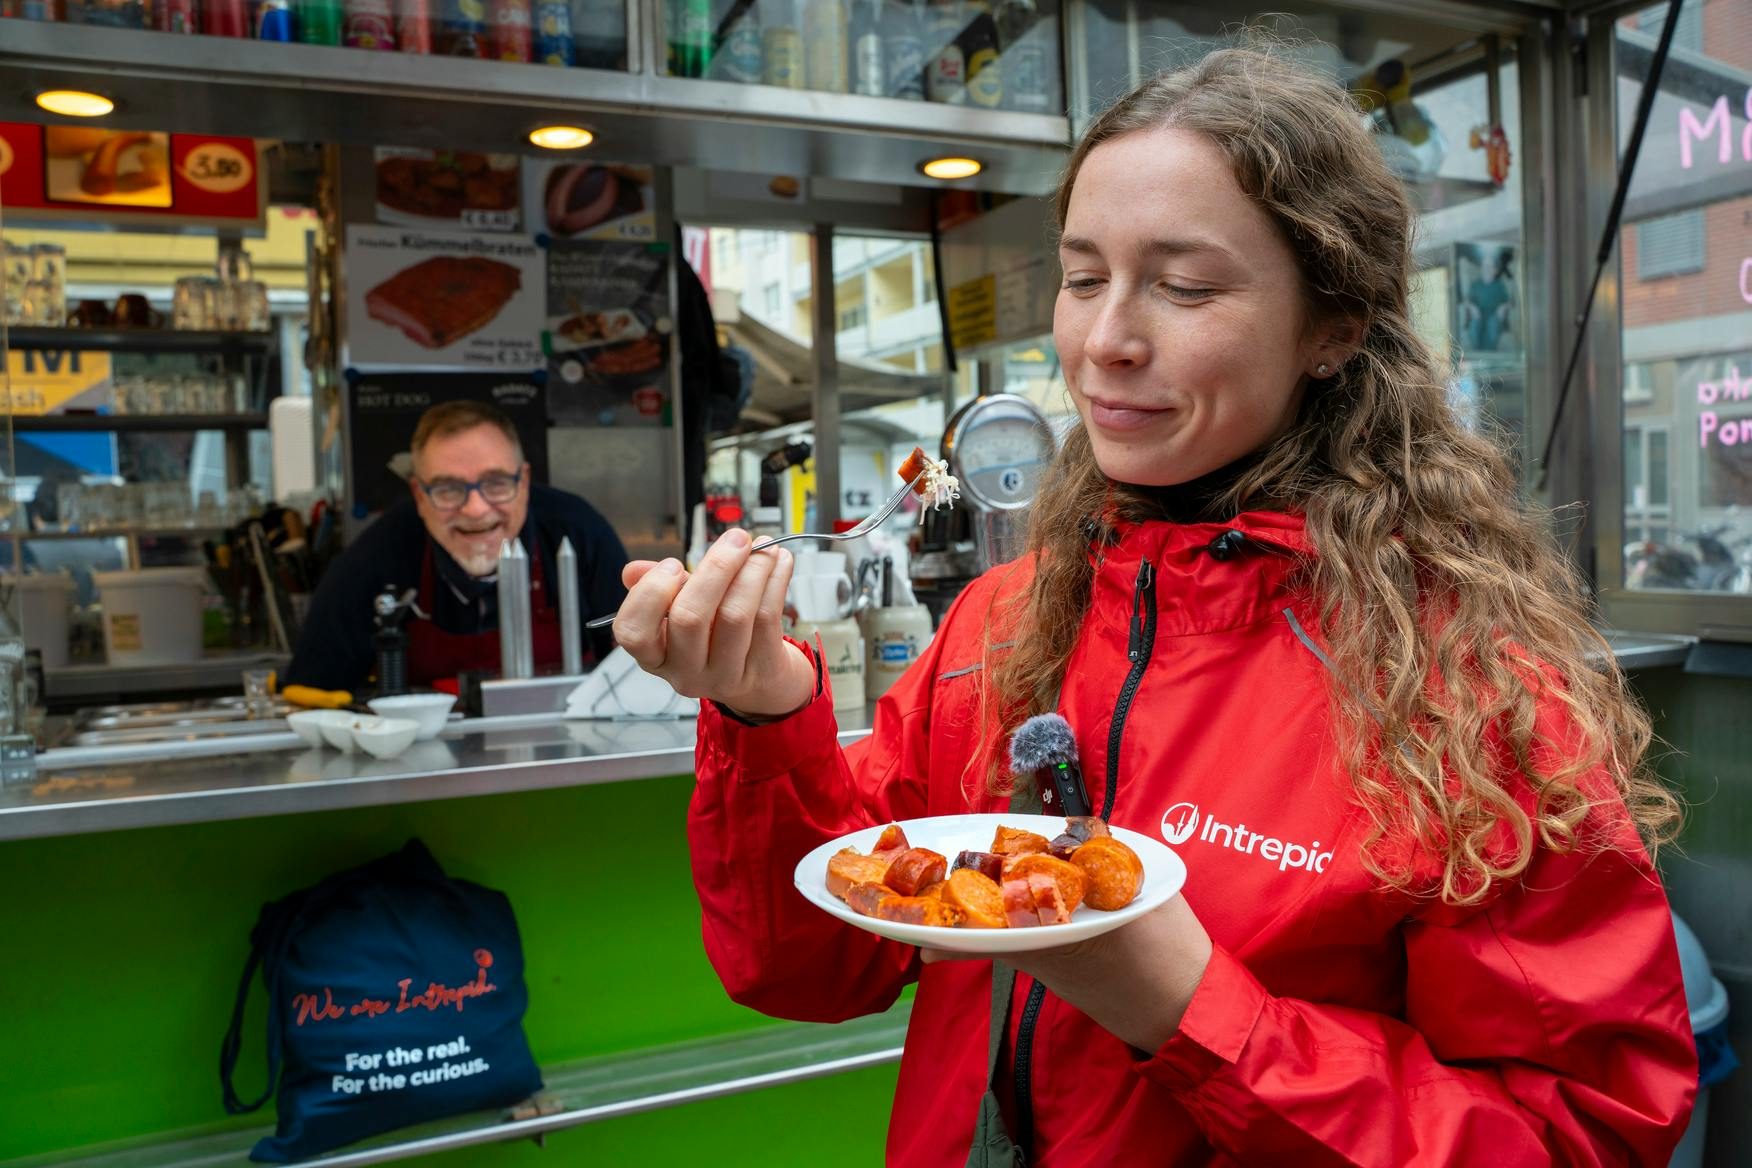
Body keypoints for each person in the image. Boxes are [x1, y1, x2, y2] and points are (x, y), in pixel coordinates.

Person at [616, 48, 1697, 1167]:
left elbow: (1580, 1137)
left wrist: (1192, 1011)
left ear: (1332, 327)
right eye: (1085, 278)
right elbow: (811, 967)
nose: (1104, 342)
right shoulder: (1003, 621)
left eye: (1184, 286)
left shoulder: (1468, 692)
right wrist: (764, 711)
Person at [287, 399, 628, 694]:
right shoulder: (373, 560)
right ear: (420, 496)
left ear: (523, 483)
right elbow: (311, 695)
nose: (476, 510)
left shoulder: (578, 534)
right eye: (448, 488)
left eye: (496, 483)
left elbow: (638, 671)